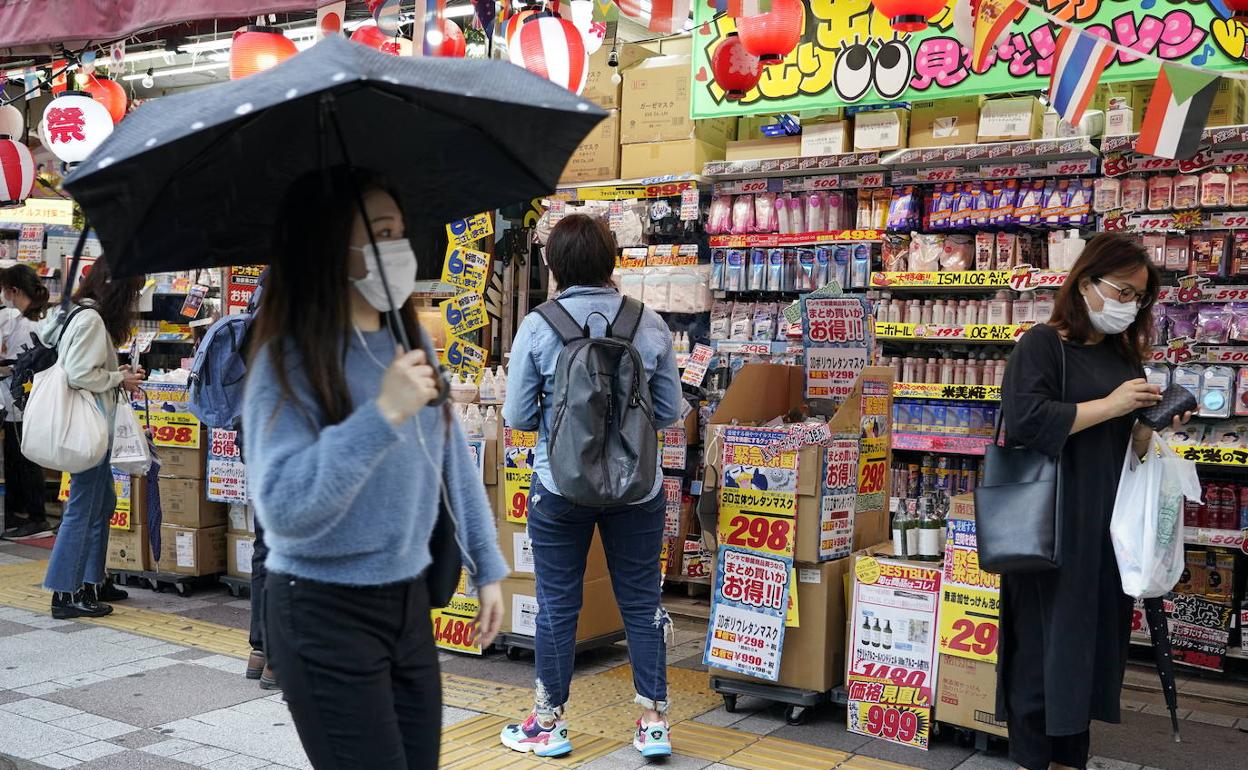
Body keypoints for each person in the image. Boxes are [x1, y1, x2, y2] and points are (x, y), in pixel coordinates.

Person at [243, 166, 508, 770]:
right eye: (382, 233)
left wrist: (486, 564)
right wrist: (383, 410)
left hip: (408, 602)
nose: (400, 248)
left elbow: (449, 456)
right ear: (332, 247)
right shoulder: (285, 359)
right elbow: (283, 508)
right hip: (321, 610)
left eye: (401, 231)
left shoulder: (408, 336)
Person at [500, 214, 682, 760]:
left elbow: (516, 415)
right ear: (612, 261)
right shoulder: (648, 323)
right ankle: (653, 721)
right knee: (642, 602)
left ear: (553, 266)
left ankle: (548, 723)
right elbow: (670, 412)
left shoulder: (538, 325)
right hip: (638, 490)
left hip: (559, 488)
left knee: (557, 605)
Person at [996, 233, 1181, 770]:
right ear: (1085, 284)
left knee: (1085, 647)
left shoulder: (1123, 356)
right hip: (1049, 523)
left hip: (1106, 523)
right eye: (1123, 291)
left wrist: (1149, 425)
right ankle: (1034, 757)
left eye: (1140, 298)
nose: (1130, 305)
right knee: (1040, 646)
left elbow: (1126, 442)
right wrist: (1111, 404)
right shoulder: (1042, 344)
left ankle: (1070, 755)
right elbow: (1028, 423)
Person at [37, 260, 145, 618]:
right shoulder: (91, 319)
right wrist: (119, 379)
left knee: (102, 503)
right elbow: (82, 373)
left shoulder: (75, 312)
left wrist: (114, 374)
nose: (134, 302)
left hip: (93, 424)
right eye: (133, 293)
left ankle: (93, 579)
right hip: (90, 426)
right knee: (84, 508)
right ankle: (66, 593)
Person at [0, 265, 52, 540]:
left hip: (22, 401)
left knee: (25, 460)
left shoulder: (28, 325)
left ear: (14, 291)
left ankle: (36, 517)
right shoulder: (32, 319)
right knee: (17, 458)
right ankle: (19, 513)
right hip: (22, 401)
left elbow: (12, 363)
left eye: (5, 290)